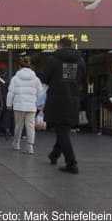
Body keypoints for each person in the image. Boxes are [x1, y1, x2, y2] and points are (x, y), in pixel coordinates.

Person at [39, 38, 85, 174]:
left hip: (57, 100)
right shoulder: (80, 61)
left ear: (59, 45)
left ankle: (72, 163)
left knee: (62, 131)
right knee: (63, 129)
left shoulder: (53, 60)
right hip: (73, 99)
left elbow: (45, 78)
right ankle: (54, 155)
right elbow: (82, 79)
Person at [6, 56, 42, 154]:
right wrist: (40, 105)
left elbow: (11, 92)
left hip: (19, 106)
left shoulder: (15, 78)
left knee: (18, 126)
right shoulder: (36, 79)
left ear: (19, 66)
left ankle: (16, 143)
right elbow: (40, 93)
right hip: (31, 107)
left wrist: (9, 104)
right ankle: (30, 147)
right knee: (30, 126)